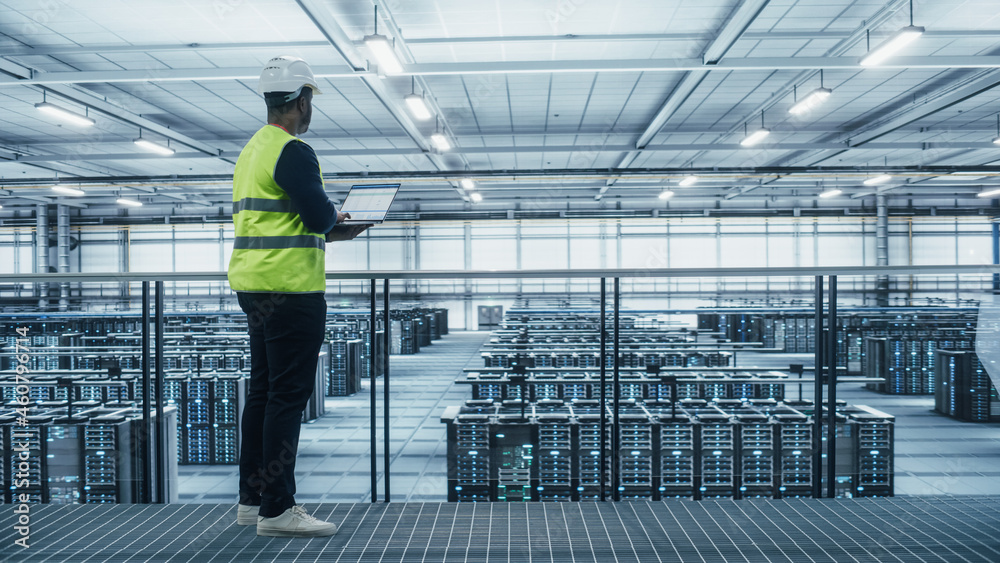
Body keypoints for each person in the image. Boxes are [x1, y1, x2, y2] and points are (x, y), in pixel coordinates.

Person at [227, 55, 367, 537]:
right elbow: (318, 218)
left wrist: (325, 224)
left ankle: (252, 501)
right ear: (302, 101)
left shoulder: (251, 150)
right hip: (290, 290)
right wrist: (338, 221)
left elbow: (279, 219)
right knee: (287, 399)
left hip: (254, 286)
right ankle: (279, 510)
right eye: (310, 101)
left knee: (263, 395)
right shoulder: (294, 150)